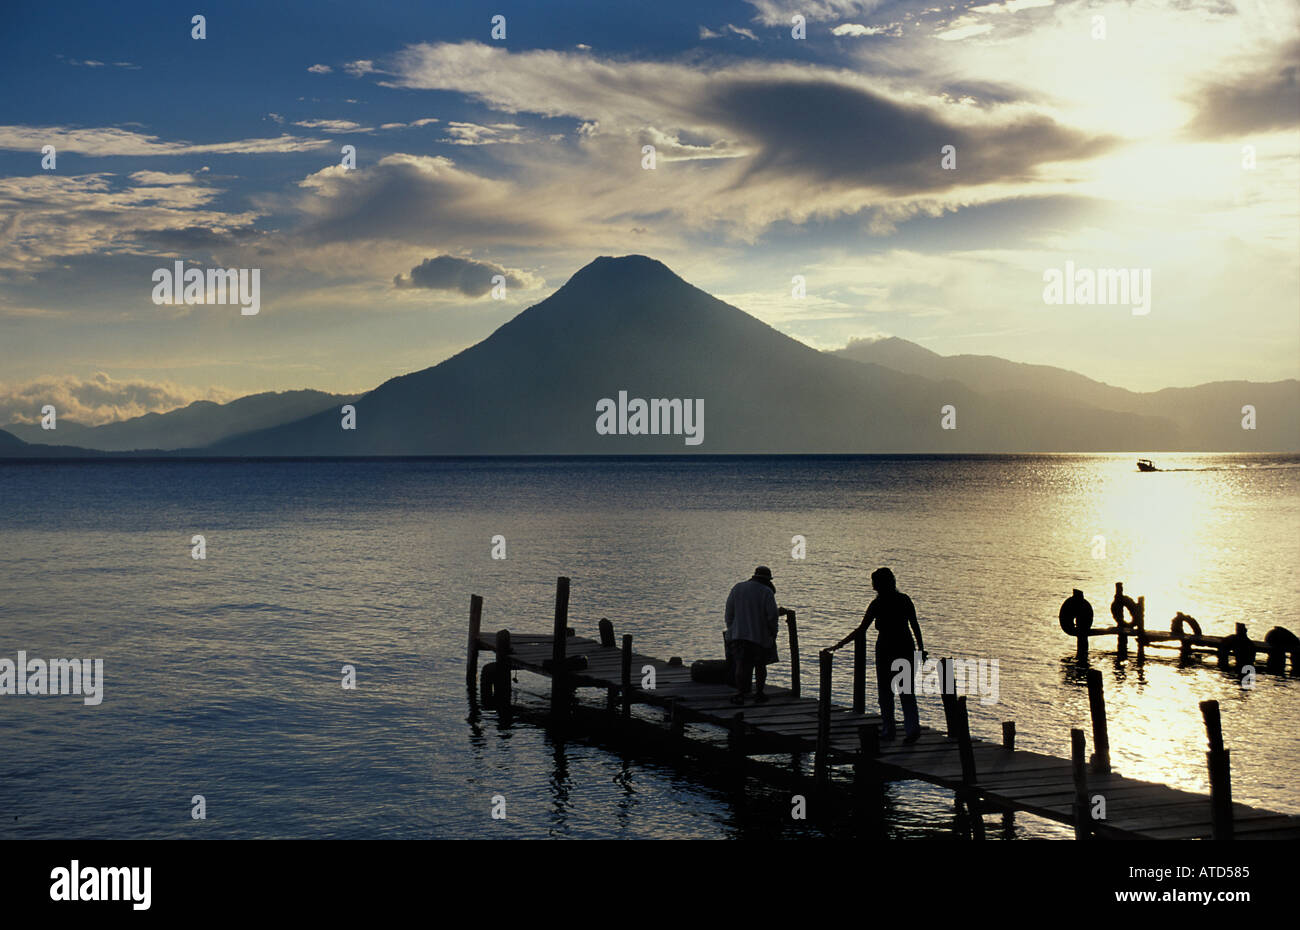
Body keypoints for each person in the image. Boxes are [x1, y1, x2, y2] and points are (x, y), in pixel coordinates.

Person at [832, 567, 924, 742]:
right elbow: (915, 625)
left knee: (886, 692)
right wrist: (921, 648)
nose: (873, 587)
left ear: (879, 585)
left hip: (886, 650)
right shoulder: (904, 600)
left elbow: (861, 629)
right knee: (906, 692)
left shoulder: (878, 604)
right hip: (905, 647)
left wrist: (839, 645)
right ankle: (912, 729)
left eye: (874, 583)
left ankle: (889, 730)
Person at [725, 566, 780, 706]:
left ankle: (740, 693)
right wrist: (773, 633)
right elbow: (772, 616)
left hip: (739, 635)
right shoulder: (767, 592)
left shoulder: (738, 588)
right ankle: (759, 693)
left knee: (740, 665)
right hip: (759, 637)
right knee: (760, 666)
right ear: (768, 579)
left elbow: (729, 613)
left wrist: (732, 629)